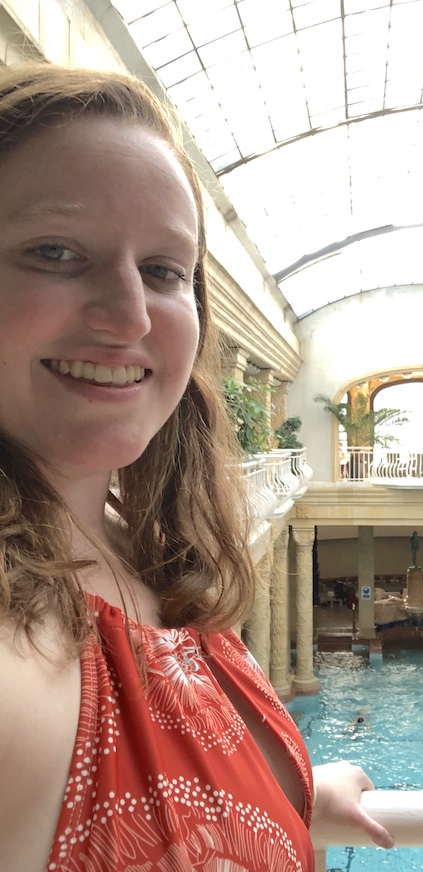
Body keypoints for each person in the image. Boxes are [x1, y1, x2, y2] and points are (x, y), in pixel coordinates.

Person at [0, 64, 393, 872]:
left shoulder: (134, 545)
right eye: (55, 251)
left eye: (163, 270)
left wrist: (288, 792)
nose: (131, 316)